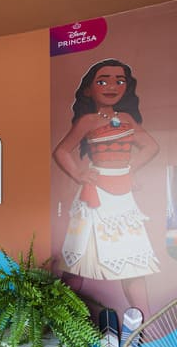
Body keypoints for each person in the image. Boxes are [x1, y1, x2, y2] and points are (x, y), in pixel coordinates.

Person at [52, 58, 160, 316]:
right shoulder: (87, 121)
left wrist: (130, 168)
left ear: (127, 87)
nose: (112, 86)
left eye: (119, 81)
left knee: (134, 261)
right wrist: (79, 174)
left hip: (123, 196)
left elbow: (151, 146)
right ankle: (61, 319)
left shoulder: (127, 119)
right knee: (76, 263)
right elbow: (62, 151)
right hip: (95, 195)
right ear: (89, 89)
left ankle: (144, 323)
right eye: (103, 81)